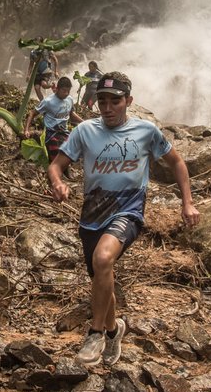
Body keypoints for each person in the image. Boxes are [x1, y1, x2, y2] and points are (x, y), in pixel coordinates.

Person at [47, 71, 200, 368]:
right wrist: (58, 183)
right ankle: (114, 331)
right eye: (102, 101)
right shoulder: (85, 132)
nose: (107, 108)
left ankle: (95, 334)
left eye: (115, 101)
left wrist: (188, 202)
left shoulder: (146, 131)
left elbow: (177, 162)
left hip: (128, 210)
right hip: (92, 215)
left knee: (103, 260)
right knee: (102, 281)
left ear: (128, 101)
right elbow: (56, 165)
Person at [22, 76, 85, 162]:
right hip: (51, 133)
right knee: (57, 154)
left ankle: (65, 171)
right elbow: (32, 113)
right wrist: (26, 130)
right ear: (57, 89)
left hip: (64, 131)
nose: (66, 93)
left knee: (75, 150)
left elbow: (71, 114)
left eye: (68, 91)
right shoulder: (48, 101)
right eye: (64, 91)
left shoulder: (69, 99)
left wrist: (84, 122)